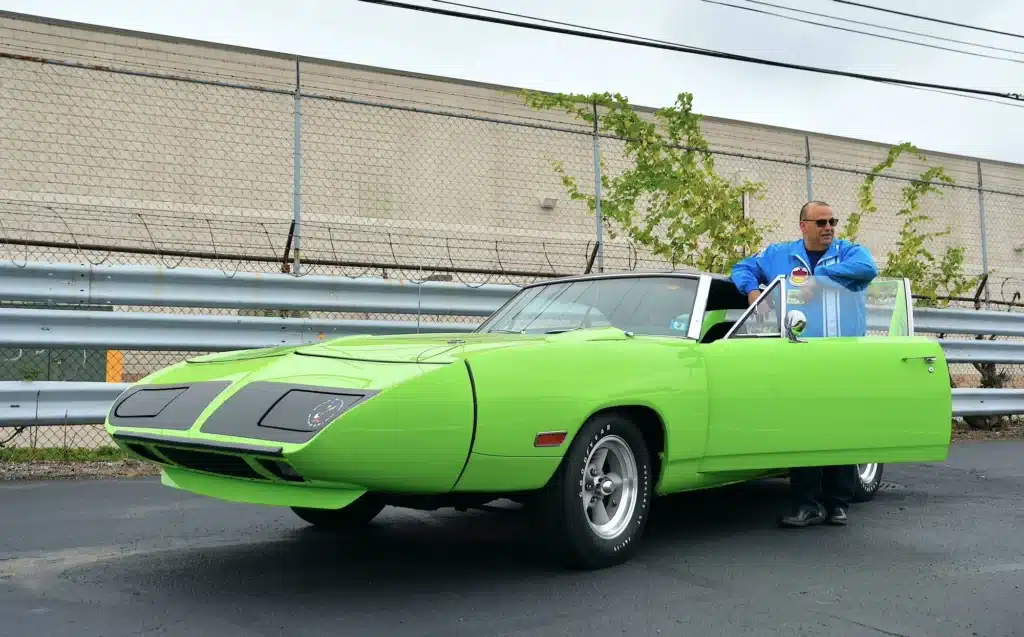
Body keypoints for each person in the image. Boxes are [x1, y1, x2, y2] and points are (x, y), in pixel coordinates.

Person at [730, 200, 879, 528]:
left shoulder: (848, 252)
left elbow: (868, 270)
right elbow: (742, 267)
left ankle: (838, 503)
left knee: (840, 429)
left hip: (843, 355)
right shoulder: (778, 254)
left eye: (832, 221)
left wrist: (819, 276)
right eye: (821, 222)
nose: (828, 228)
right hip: (799, 354)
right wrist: (754, 291)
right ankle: (805, 504)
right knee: (803, 429)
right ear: (803, 226)